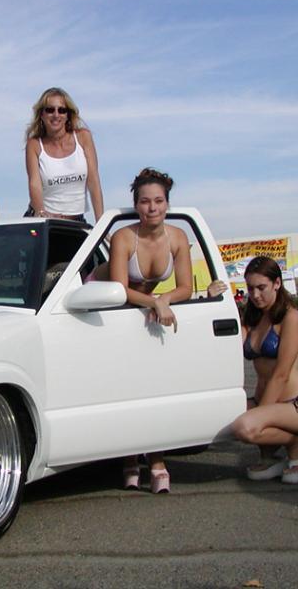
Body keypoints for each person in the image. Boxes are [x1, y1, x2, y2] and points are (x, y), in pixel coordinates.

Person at [109, 167, 192, 493]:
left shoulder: (178, 237)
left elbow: (185, 287)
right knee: (126, 387)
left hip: (143, 309)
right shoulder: (123, 238)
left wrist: (164, 299)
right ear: (136, 205)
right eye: (145, 201)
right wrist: (156, 303)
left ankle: (156, 461)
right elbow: (118, 289)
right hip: (108, 305)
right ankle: (130, 458)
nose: (152, 207)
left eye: (158, 200)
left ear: (167, 204)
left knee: (153, 386)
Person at [231, 256, 298, 484]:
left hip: (295, 403)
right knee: (221, 416)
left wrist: (259, 415)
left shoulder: (292, 317)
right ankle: (269, 454)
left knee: (244, 427)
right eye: (250, 288)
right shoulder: (253, 318)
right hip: (264, 400)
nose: (255, 294)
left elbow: (281, 374)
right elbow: (230, 346)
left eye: (261, 287)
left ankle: (296, 443)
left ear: (277, 283)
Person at [25, 87, 104, 222]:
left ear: (68, 115)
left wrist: (101, 223)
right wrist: (42, 214)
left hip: (76, 221)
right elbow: (34, 185)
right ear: (42, 114)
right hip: (45, 221)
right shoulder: (34, 144)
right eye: (50, 110)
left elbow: (94, 182)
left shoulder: (83, 137)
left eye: (62, 110)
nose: (56, 115)